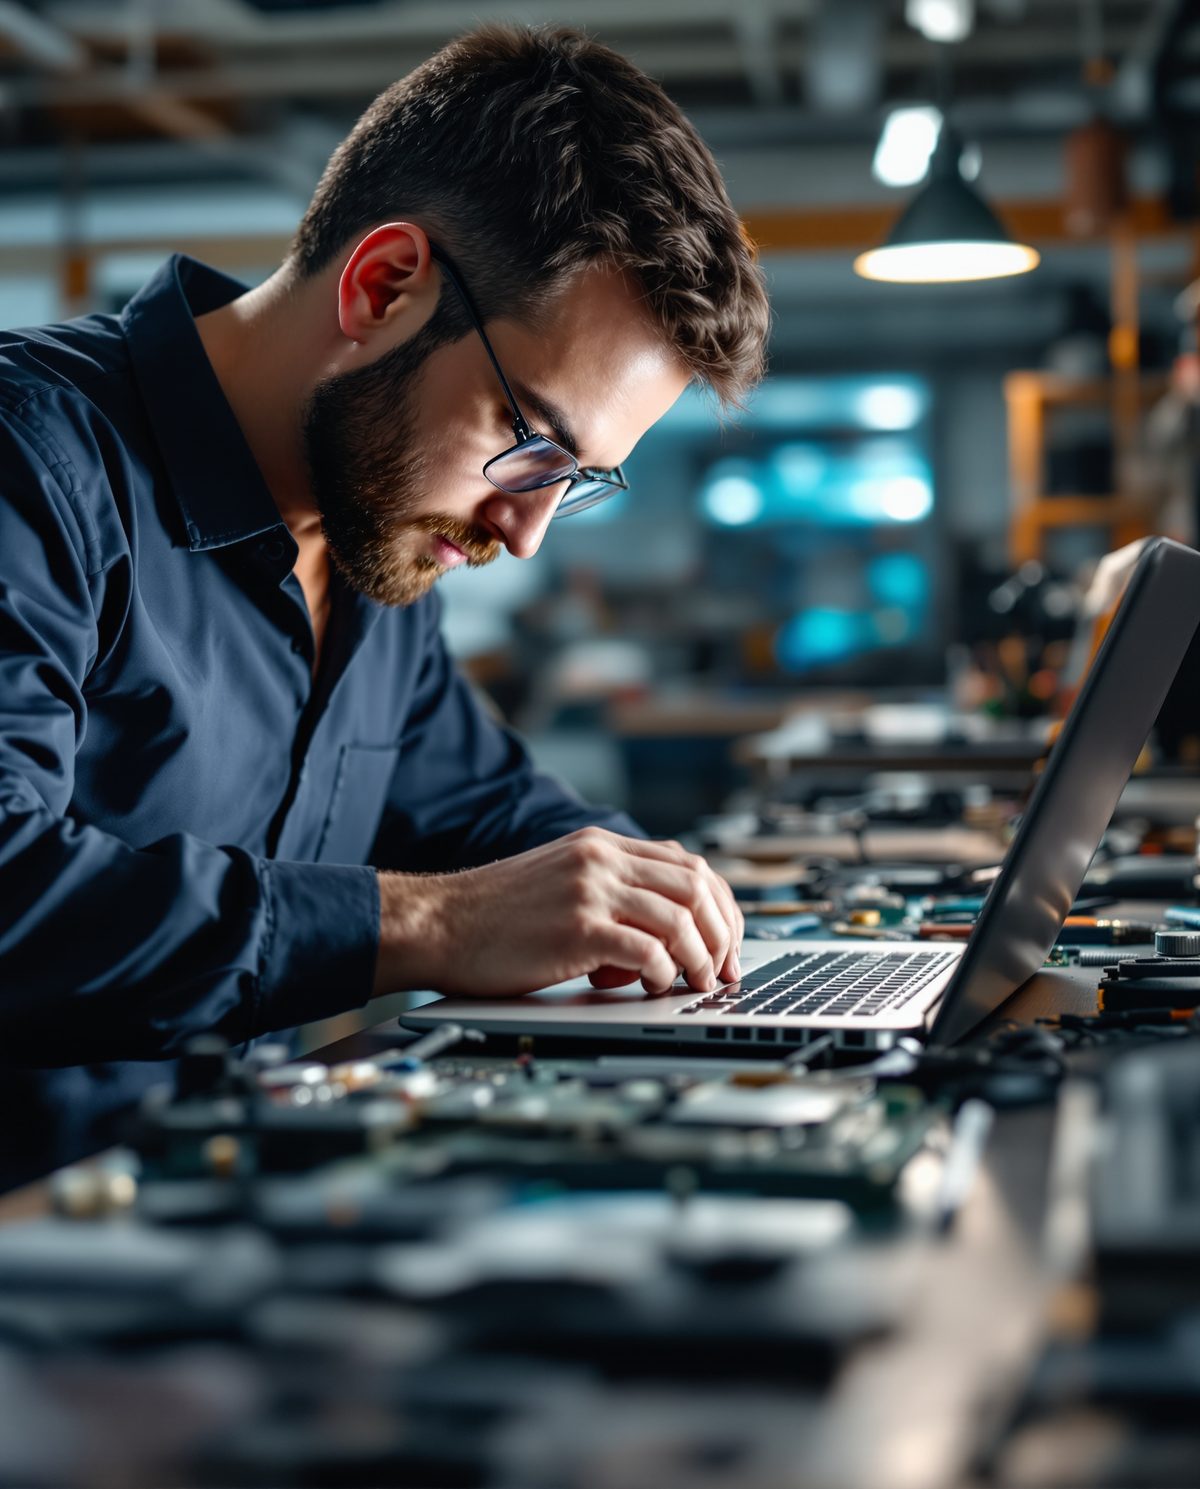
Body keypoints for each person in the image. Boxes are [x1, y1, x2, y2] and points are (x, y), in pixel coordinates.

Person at [0, 24, 770, 1184]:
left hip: (201, 1234)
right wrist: (439, 927)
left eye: (578, 481)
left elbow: (487, 811)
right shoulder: (35, 467)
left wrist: (652, 891)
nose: (524, 532)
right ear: (384, 284)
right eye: (530, 448)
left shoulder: (377, 544)